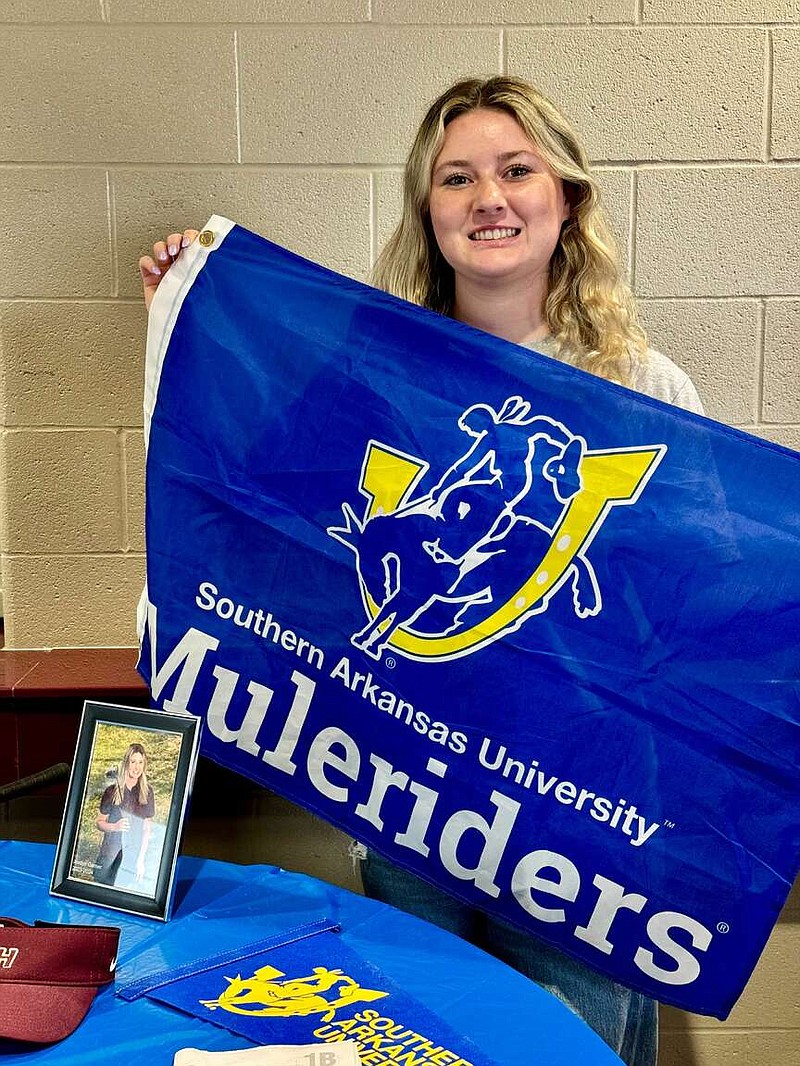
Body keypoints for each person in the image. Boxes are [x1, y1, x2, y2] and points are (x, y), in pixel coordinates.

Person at [138, 76, 702, 1066]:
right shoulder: (372, 382)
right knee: (436, 1042)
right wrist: (193, 316)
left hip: (580, 816)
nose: (488, 197)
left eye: (515, 169)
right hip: (413, 793)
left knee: (571, 1050)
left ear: (562, 196)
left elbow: (683, 610)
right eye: (457, 178)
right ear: (427, 211)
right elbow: (258, 504)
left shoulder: (643, 391)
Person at [93, 741, 155, 890]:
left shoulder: (147, 792)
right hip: (109, 852)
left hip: (132, 854)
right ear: (126, 762)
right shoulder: (111, 791)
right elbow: (99, 822)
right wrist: (114, 826)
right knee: (101, 892)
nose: (137, 767)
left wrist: (141, 860)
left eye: (140, 762)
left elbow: (147, 829)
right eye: (133, 761)